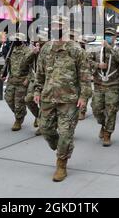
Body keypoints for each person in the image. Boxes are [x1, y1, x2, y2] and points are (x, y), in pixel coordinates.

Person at [34, 15, 92, 182]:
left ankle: (61, 164)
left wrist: (83, 96)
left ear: (65, 27)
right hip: (47, 97)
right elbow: (40, 73)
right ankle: (63, 147)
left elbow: (85, 77)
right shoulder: (46, 49)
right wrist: (37, 90)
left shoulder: (76, 50)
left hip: (69, 99)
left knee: (65, 133)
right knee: (45, 129)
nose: (54, 29)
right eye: (52, 26)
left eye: (58, 26)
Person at [90, 27, 119, 147]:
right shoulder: (96, 50)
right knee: (96, 109)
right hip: (99, 84)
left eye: (111, 35)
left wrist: (109, 48)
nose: (108, 37)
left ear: (115, 38)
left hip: (112, 85)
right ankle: (103, 124)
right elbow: (87, 62)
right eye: (106, 35)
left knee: (111, 111)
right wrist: (97, 65)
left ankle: (107, 133)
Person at [4, 33, 39, 131]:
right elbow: (7, 63)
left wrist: (28, 79)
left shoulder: (28, 51)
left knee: (19, 102)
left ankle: (19, 119)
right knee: (8, 99)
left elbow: (32, 67)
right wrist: (3, 73)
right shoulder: (12, 50)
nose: (15, 41)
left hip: (22, 80)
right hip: (12, 79)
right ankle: (20, 114)